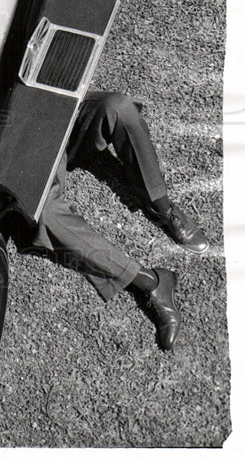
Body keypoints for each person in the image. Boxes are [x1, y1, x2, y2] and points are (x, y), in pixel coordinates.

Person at [31, 91, 209, 351]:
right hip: (24, 148)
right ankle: (152, 282)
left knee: (118, 107)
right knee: (45, 213)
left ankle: (163, 208)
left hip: (55, 114)